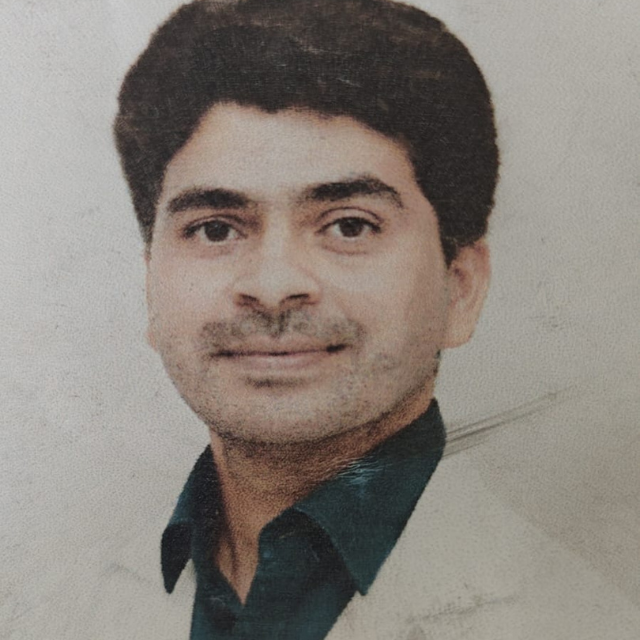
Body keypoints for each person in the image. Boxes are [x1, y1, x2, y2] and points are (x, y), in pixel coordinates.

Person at [112, 1, 640, 638]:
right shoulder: (44, 604)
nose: (273, 288)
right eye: (216, 229)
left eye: (349, 226)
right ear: (150, 284)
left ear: (461, 287)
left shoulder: (584, 621)